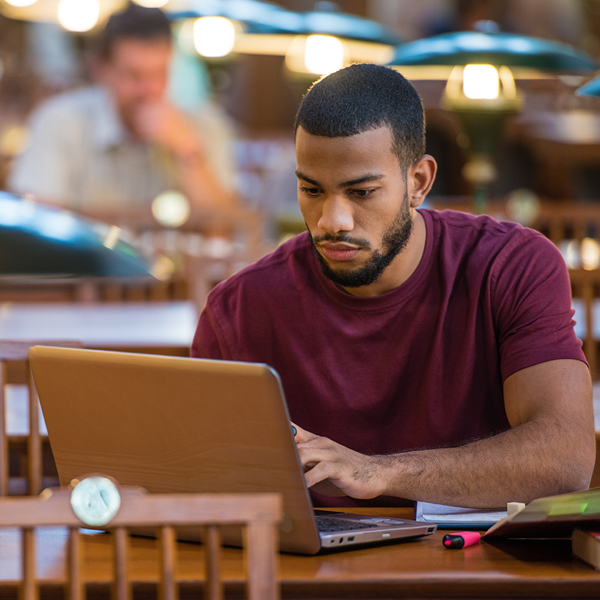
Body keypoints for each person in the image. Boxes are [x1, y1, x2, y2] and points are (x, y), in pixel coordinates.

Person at [191, 64, 595, 509]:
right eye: (311, 190)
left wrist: (377, 472)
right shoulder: (238, 309)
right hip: (306, 573)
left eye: (361, 192)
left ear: (418, 181)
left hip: (476, 568)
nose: (332, 221)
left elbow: (565, 461)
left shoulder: (512, 266)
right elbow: (196, 477)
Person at [8, 3, 236, 216]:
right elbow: (38, 225)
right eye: (134, 76)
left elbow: (226, 225)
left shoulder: (204, 126)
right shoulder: (59, 122)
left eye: (160, 74)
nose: (150, 89)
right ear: (101, 69)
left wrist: (187, 152)